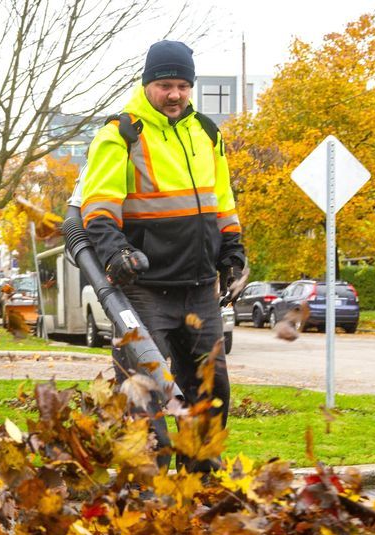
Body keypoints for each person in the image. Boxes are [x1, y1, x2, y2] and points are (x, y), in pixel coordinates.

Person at [79, 40, 247, 469]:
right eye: (165, 85)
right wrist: (115, 252)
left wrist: (232, 251)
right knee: (144, 395)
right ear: (148, 83)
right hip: (143, 292)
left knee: (211, 392)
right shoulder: (120, 134)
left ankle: (203, 488)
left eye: (182, 86)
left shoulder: (208, 134)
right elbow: (97, 209)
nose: (174, 95)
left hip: (198, 290)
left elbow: (222, 202)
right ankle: (149, 495)